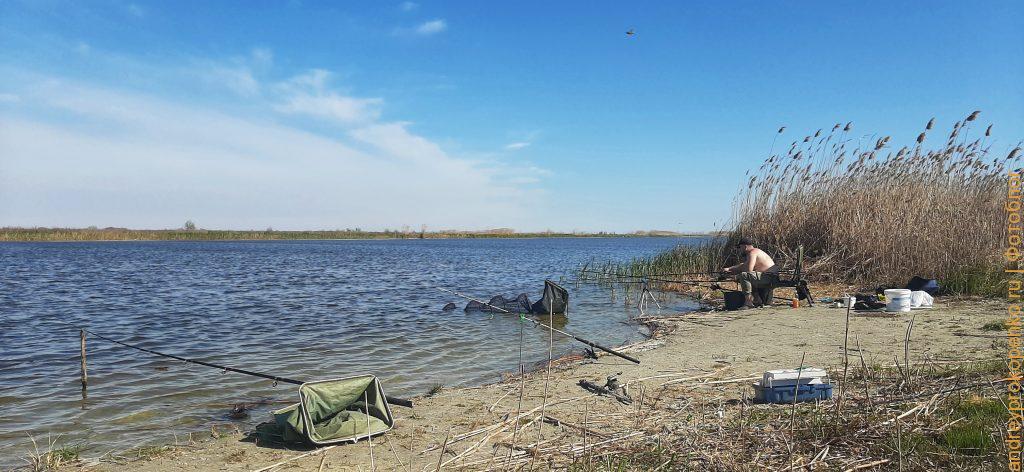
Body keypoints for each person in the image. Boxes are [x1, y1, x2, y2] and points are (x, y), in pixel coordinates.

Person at [722, 237, 779, 309]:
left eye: (739, 247)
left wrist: (736, 276)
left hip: (770, 278)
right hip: (768, 277)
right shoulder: (755, 252)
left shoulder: (752, 253)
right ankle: (757, 300)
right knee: (747, 276)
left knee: (744, 275)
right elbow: (744, 265)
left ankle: (748, 302)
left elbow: (748, 270)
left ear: (745, 247)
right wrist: (730, 269)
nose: (739, 250)